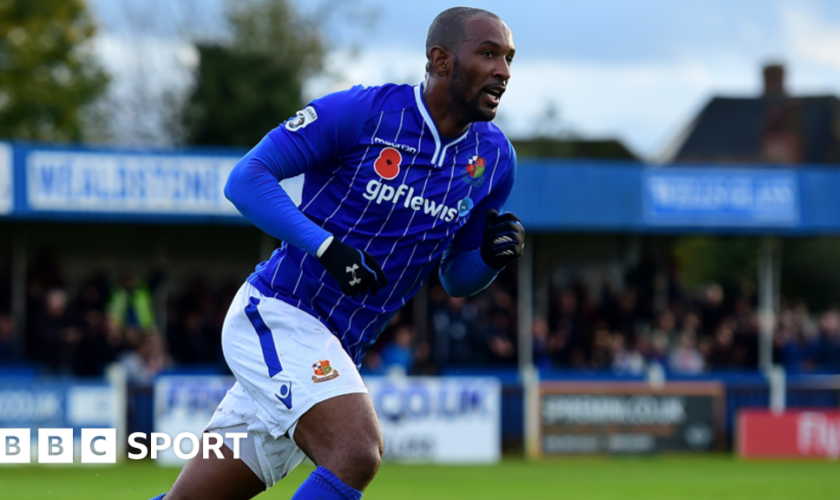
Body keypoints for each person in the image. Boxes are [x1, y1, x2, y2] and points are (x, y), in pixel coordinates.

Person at [152, 7, 523, 500]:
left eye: (509, 58)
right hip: (281, 313)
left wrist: (491, 260)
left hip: (338, 348)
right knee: (356, 450)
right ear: (440, 59)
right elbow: (245, 180)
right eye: (488, 54)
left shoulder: (494, 159)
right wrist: (325, 247)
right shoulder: (362, 114)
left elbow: (456, 278)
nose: (504, 71)